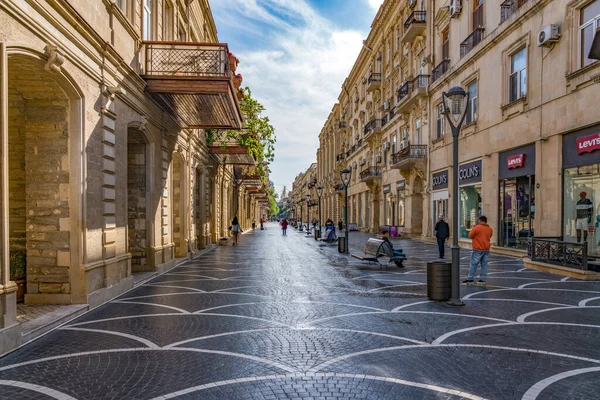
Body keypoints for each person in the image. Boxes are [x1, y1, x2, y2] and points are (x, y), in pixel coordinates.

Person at [464, 215, 493, 285]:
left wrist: (473, 228)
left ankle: (470, 279)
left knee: (473, 264)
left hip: (478, 249)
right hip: (486, 249)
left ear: (480, 220)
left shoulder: (477, 228)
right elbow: (490, 236)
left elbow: (470, 236)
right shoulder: (490, 229)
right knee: (484, 265)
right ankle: (482, 280)